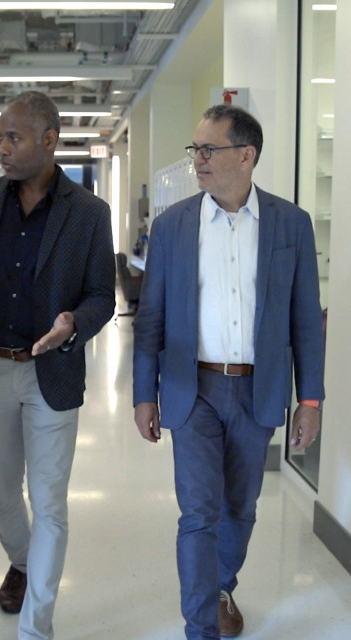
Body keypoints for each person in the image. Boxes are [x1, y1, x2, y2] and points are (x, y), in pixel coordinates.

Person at [132, 104, 325, 639]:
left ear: (247, 155)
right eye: (195, 150)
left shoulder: (291, 225)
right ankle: (201, 628)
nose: (198, 160)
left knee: (240, 507)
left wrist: (310, 399)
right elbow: (152, 317)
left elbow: (306, 320)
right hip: (192, 388)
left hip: (258, 388)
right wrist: (143, 393)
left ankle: (220, 586)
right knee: (198, 513)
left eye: (209, 149)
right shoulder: (174, 226)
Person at [0, 91, 115, 640]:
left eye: (13, 137)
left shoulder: (88, 213)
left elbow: (102, 296)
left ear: (48, 139)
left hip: (53, 372)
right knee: (1, 491)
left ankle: (36, 626)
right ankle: (21, 560)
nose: (2, 148)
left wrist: (73, 324)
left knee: (50, 503)